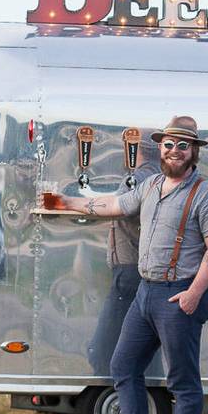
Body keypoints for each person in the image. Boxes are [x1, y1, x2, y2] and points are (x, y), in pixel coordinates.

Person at [59, 116, 208, 414]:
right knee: (123, 364)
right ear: (161, 149)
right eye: (169, 144)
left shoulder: (206, 193)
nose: (175, 151)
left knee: (182, 379)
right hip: (145, 293)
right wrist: (69, 203)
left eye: (183, 145)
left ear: (193, 151)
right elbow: (116, 206)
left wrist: (193, 294)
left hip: (178, 296)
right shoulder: (151, 185)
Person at [87, 136, 161, 377]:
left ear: (135, 150)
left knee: (102, 349)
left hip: (129, 269)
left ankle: (114, 393)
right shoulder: (157, 176)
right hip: (141, 270)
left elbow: (116, 205)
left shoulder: (138, 178)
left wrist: (73, 203)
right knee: (145, 344)